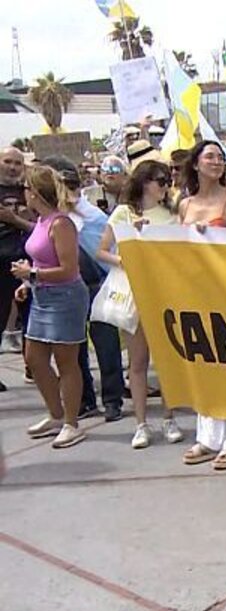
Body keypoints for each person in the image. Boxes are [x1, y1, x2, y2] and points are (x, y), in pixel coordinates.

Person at [95, 160, 184, 448]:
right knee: (138, 361)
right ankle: (141, 423)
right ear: (145, 182)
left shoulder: (172, 213)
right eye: (161, 181)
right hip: (135, 292)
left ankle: (169, 418)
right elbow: (101, 251)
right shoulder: (124, 212)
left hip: (165, 291)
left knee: (167, 360)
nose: (166, 186)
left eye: (168, 180)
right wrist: (126, 258)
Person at [178, 140, 226, 470]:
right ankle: (208, 437)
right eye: (209, 156)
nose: (216, 161)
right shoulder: (184, 204)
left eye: (220, 157)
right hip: (196, 294)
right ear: (195, 163)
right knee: (204, 364)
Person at [41, 156, 124, 423]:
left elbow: (106, 251)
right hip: (67, 288)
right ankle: (85, 399)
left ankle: (112, 399)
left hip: (97, 284)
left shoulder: (92, 216)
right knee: (73, 349)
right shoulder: (51, 218)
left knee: (106, 344)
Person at [18, 166, 91, 449]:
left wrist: (32, 274)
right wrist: (29, 282)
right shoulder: (40, 221)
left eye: (26, 188)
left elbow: (69, 269)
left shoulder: (61, 224)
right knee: (34, 358)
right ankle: (56, 414)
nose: (23, 193)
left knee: (66, 360)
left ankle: (72, 423)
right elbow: (41, 260)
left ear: (35, 193)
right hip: (42, 295)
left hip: (65, 297)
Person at [0, 147, 33, 384]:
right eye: (7, 162)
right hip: (1, 259)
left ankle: (33, 366)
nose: (12, 167)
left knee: (31, 318)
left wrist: (16, 220)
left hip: (27, 259)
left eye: (17, 163)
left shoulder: (29, 191)